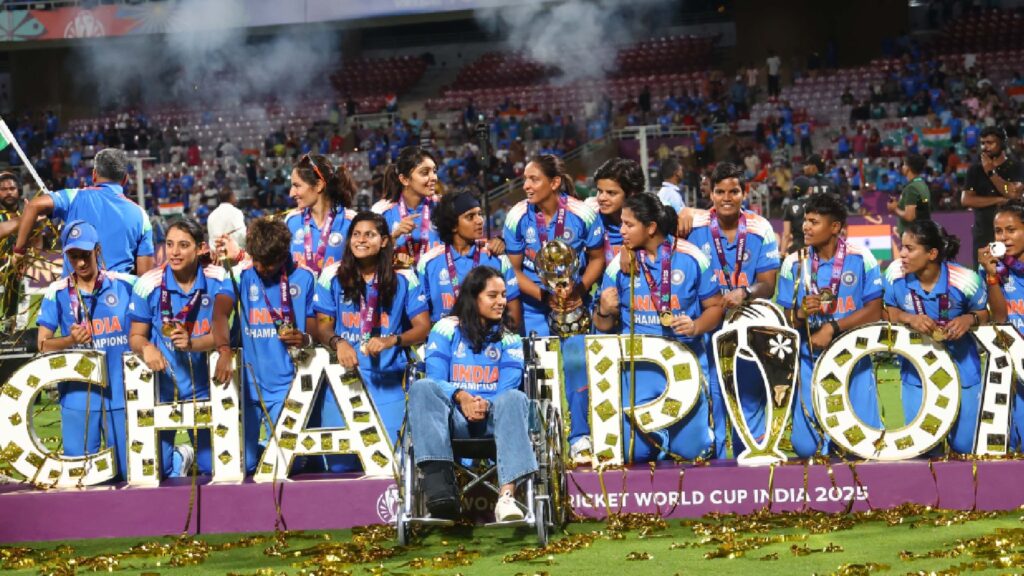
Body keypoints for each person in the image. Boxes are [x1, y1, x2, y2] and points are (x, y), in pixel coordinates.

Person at [592, 193, 722, 462]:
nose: (622, 231)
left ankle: (700, 434)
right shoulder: (619, 263)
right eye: (622, 224)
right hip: (639, 371)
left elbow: (716, 307)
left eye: (629, 225)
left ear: (650, 228)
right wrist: (604, 309)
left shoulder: (691, 257)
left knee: (692, 453)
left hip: (684, 368)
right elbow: (602, 326)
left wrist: (696, 325)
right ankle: (658, 437)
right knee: (633, 453)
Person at [406, 266, 534, 521]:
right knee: (421, 387)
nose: (501, 302)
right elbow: (435, 379)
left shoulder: (509, 337)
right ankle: (440, 487)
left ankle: (507, 498)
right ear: (473, 297)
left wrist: (484, 403)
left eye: (503, 295)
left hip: (494, 419)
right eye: (493, 295)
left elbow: (509, 384)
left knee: (515, 398)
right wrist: (462, 397)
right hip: (454, 421)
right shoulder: (445, 329)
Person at [314, 212, 431, 471]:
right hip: (344, 384)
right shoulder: (331, 275)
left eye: (370, 234)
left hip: (387, 383)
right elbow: (321, 325)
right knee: (339, 468)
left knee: (390, 465)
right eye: (356, 234)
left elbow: (423, 328)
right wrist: (338, 342)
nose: (361, 240)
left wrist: (393, 340)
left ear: (385, 241)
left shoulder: (404, 277)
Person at [683, 162, 781, 458]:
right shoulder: (692, 226)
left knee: (747, 395)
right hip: (706, 325)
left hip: (745, 326)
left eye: (734, 191)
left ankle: (749, 456)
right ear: (709, 194)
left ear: (744, 193)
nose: (727, 197)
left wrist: (746, 291)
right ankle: (720, 459)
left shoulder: (760, 227)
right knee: (711, 394)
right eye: (720, 191)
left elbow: (768, 283)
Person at [777, 193, 883, 458]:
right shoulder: (793, 262)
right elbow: (786, 319)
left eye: (814, 221)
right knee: (805, 448)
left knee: (863, 443)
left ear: (834, 227)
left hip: (854, 358)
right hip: (810, 359)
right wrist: (800, 313)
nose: (805, 227)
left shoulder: (861, 258)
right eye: (805, 220)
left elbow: (875, 311)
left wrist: (833, 327)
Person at [211, 218, 317, 473]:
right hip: (248, 384)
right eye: (256, 259)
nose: (260, 266)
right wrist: (224, 350)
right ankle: (263, 445)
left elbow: (314, 326)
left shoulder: (304, 277)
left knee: (283, 465)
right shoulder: (241, 274)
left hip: (286, 384)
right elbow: (219, 313)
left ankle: (279, 448)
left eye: (267, 262)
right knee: (242, 465)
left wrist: (304, 337)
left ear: (283, 256)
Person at [128, 218, 230, 477]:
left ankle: (193, 455)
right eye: (170, 244)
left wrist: (194, 344)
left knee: (212, 467)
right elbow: (136, 336)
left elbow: (224, 335)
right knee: (157, 470)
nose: (174, 252)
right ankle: (181, 454)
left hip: (207, 388)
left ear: (200, 248)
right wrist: (147, 349)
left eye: (183, 245)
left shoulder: (218, 279)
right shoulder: (148, 284)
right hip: (164, 390)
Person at [37, 221, 136, 479]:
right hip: (77, 398)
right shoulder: (56, 292)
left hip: (120, 394)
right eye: (73, 257)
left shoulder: (126, 284)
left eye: (85, 255)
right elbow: (43, 345)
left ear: (98, 251)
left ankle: (180, 456)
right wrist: (69, 340)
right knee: (80, 477)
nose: (80, 263)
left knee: (129, 474)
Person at [884, 220, 988, 454]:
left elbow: (986, 313)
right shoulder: (894, 274)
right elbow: (886, 311)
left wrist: (968, 319)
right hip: (917, 372)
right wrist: (909, 318)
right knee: (922, 446)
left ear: (932, 253)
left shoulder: (966, 280)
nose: (902, 254)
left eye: (910, 248)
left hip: (963, 369)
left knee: (965, 446)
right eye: (902, 246)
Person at [503, 155, 606, 337]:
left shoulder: (583, 214)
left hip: (574, 303)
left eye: (534, 179)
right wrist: (544, 296)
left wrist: (579, 292)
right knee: (538, 365)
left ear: (554, 183)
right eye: (525, 179)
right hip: (532, 309)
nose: (526, 185)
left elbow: (597, 259)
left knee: (577, 364)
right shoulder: (516, 216)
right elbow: (513, 270)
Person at [11, 148, 155, 275]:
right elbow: (144, 277)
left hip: (74, 298)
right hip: (118, 300)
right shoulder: (141, 216)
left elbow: (33, 206)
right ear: (125, 179)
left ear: (94, 175)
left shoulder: (74, 197)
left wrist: (19, 252)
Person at [417, 191, 521, 328]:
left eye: (480, 214)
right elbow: (421, 321)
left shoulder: (496, 257)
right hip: (446, 345)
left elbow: (514, 317)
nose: (479, 220)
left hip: (489, 344)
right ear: (453, 225)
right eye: (470, 216)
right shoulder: (428, 263)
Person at [979, 200, 1024, 450]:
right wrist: (991, 275)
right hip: (1013, 367)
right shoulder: (993, 268)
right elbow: (1000, 318)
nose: (1004, 238)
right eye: (998, 231)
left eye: (1011, 230)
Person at [283, 154, 358, 275]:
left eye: (297, 186)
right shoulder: (291, 221)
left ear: (318, 185)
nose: (291, 193)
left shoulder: (351, 222)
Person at [962, 126, 1024, 265]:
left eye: (990, 143)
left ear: (1002, 143)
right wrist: (999, 199)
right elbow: (966, 200)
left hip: (1010, 235)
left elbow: (1012, 192)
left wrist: (991, 172)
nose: (985, 147)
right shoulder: (975, 170)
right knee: (985, 277)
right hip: (983, 234)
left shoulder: (1016, 167)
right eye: (983, 143)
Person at [372, 147, 441, 269]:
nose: (434, 177)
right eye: (425, 173)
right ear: (404, 179)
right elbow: (369, 257)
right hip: (400, 285)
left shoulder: (443, 206)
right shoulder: (381, 211)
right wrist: (393, 237)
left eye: (434, 171)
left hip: (437, 284)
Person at [782, 154, 834, 255]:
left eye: (807, 165)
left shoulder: (790, 205)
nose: (804, 168)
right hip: (817, 247)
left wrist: (782, 253)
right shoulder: (820, 199)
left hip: (797, 249)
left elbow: (786, 234)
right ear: (809, 190)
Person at [887, 153, 931, 237]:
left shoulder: (912, 188)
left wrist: (894, 208)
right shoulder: (921, 184)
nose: (902, 167)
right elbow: (919, 210)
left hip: (914, 237)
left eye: (904, 164)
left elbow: (910, 216)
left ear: (908, 168)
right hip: (919, 234)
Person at [207, 187, 247, 260]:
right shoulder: (236, 212)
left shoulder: (211, 215)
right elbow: (242, 234)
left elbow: (211, 239)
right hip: (234, 257)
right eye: (234, 195)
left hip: (216, 257)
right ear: (231, 196)